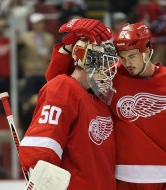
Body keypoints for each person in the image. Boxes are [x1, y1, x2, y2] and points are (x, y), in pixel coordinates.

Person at [45, 19, 166, 190]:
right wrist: (68, 47)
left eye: (132, 56)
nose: (127, 63)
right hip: (124, 178)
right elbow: (60, 84)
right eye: (122, 57)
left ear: (147, 51)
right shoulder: (111, 77)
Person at [19, 19, 119, 189]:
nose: (111, 65)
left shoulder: (100, 99)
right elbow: (42, 147)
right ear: (87, 60)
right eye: (105, 59)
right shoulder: (63, 88)